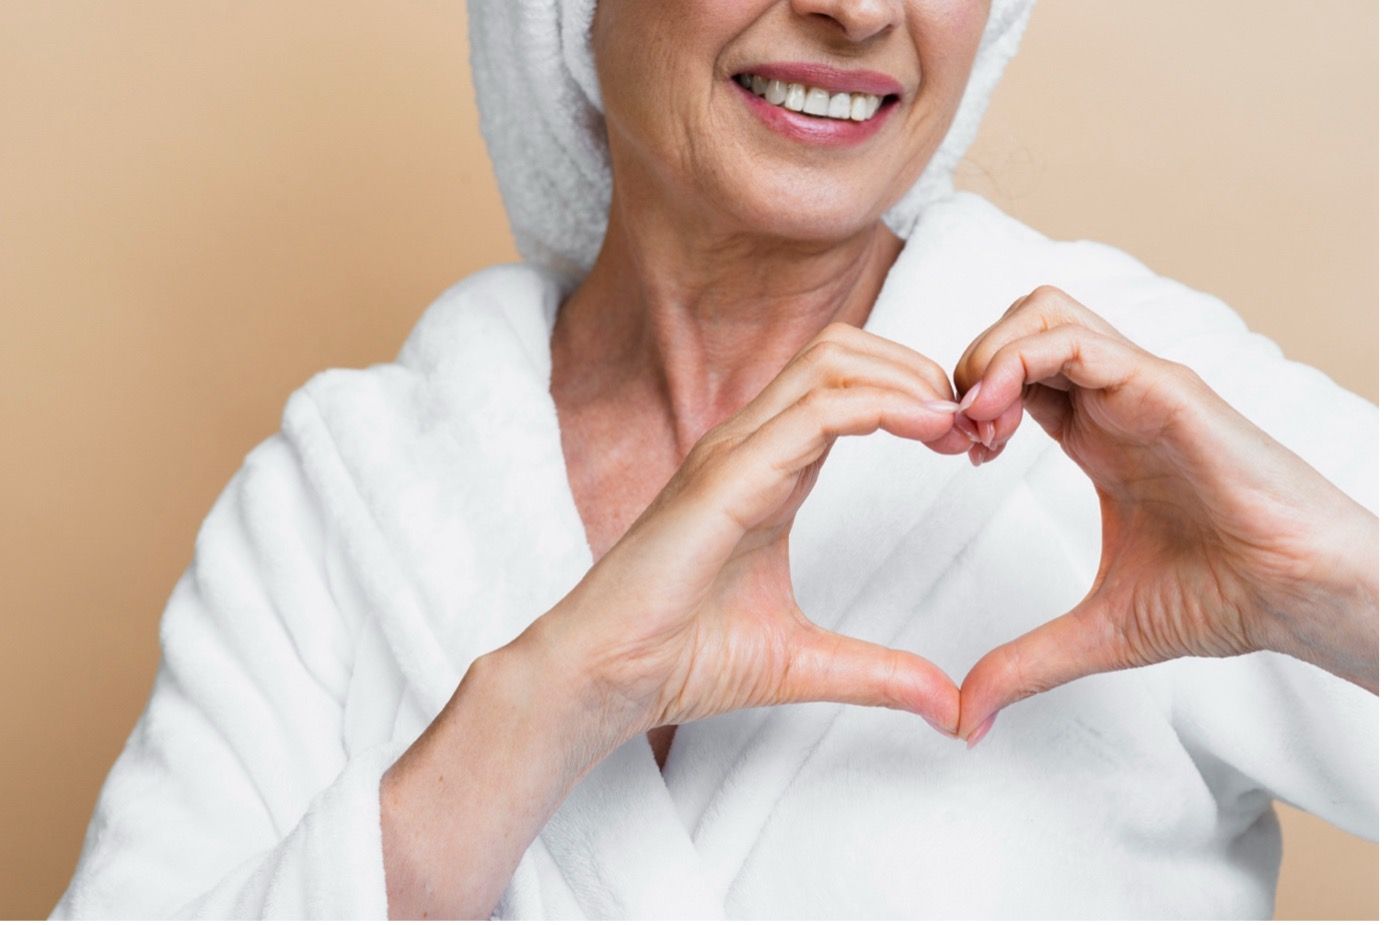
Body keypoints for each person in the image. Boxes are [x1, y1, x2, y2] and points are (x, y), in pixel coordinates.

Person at [52, 0, 1377, 919]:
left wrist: (1339, 591)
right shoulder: (348, 497)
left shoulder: (1152, 431)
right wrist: (546, 701)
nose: (857, 11)